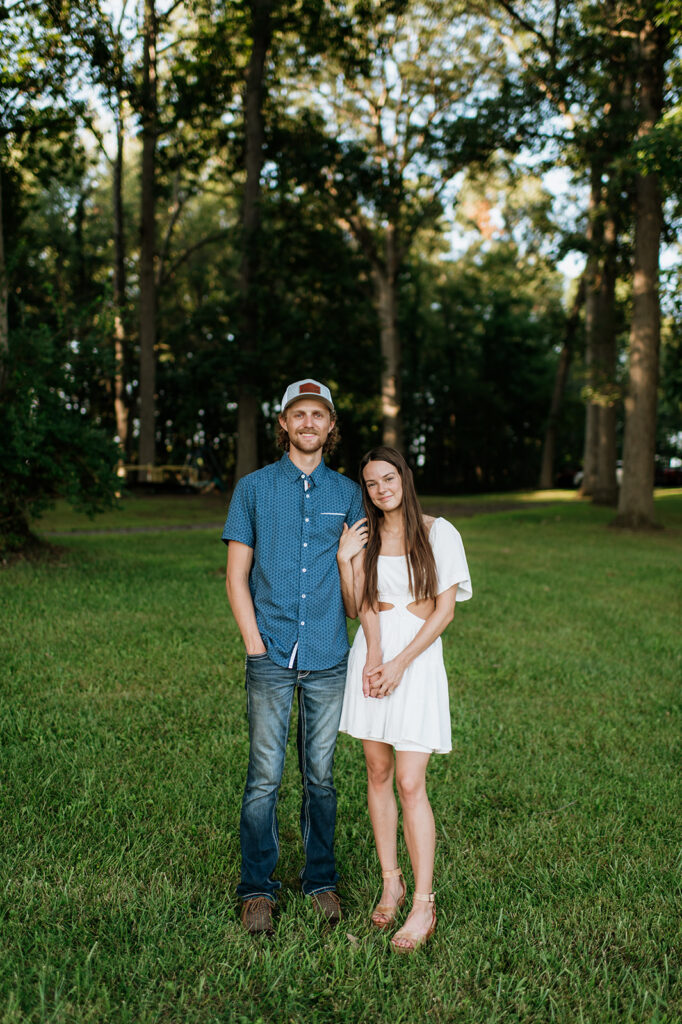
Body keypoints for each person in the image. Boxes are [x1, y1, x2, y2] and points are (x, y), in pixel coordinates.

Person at [223, 378, 367, 935]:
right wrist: (254, 644)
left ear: (331, 427)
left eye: (319, 415)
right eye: (298, 414)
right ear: (283, 423)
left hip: (331, 654)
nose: (309, 422)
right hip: (271, 652)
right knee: (264, 777)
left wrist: (349, 561)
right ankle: (256, 890)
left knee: (321, 776)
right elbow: (236, 577)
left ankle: (320, 881)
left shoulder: (348, 494)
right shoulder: (253, 489)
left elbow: (356, 593)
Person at [337, 446, 472, 953]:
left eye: (387, 478)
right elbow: (359, 605)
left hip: (415, 662)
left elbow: (444, 612)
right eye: (371, 483)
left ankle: (422, 902)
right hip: (371, 657)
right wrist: (345, 560)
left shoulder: (439, 531)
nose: (380, 489)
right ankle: (390, 880)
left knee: (411, 782)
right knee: (377, 772)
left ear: (404, 477)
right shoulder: (366, 536)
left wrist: (398, 663)